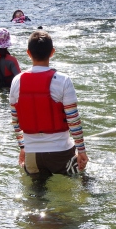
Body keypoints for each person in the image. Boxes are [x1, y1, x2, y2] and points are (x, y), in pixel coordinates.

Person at [9, 30, 88, 178]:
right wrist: (81, 151)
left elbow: (16, 121)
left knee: (35, 197)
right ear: (52, 52)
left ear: (28, 53)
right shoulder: (63, 80)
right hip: (62, 153)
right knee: (77, 187)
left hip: (32, 155)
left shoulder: (16, 81)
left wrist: (23, 148)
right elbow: (73, 120)